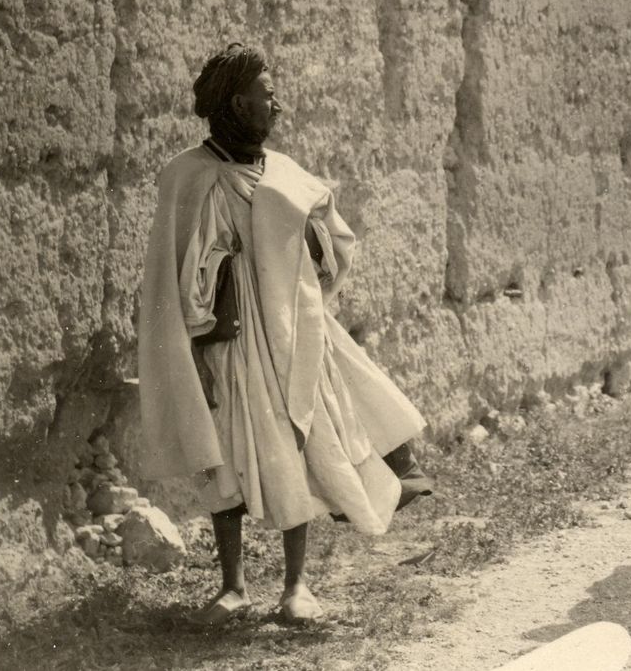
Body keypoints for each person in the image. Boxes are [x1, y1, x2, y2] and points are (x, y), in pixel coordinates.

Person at [136, 44, 433, 625]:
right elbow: (169, 278)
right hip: (223, 342)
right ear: (236, 102)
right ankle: (233, 587)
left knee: (290, 450)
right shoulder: (186, 176)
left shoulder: (287, 174)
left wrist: (307, 233)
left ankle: (297, 587)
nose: (279, 107)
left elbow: (334, 248)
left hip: (290, 338)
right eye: (268, 97)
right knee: (224, 456)